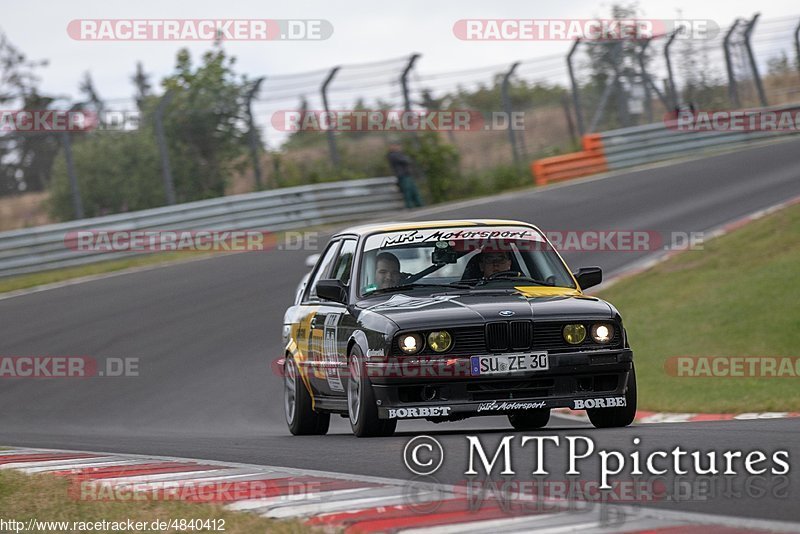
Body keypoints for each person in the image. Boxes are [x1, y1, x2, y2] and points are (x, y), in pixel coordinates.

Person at [387, 142, 423, 209]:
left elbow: (407, 160)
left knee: (414, 190)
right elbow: (405, 160)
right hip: (402, 175)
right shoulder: (392, 155)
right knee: (407, 191)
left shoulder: (399, 154)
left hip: (407, 174)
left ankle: (419, 205)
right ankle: (409, 206)